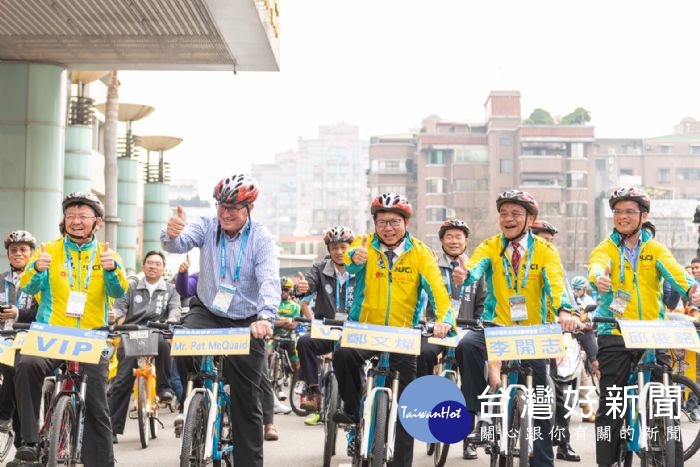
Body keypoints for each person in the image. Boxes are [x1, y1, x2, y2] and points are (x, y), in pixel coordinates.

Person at [161, 174, 278, 467]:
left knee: (246, 399)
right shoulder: (206, 225)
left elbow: (268, 281)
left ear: (248, 209)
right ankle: (195, 396)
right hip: (209, 311)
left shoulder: (261, 238)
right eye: (221, 206)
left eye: (233, 208)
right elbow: (178, 244)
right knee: (182, 342)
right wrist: (172, 234)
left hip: (247, 319)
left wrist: (265, 317)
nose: (225, 213)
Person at [457, 190, 578, 467]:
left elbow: (556, 282)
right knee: (467, 345)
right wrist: (466, 275)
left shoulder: (546, 251)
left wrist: (563, 310)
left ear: (530, 219)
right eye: (503, 214)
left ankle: (543, 462)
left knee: (541, 404)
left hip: (533, 333)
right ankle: (476, 409)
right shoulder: (490, 246)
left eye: (516, 214)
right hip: (497, 327)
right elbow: (475, 268)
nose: (508, 219)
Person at [334, 192, 454, 467]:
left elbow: (438, 291)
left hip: (404, 335)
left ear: (405, 223)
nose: (388, 228)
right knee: (342, 355)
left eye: (395, 222)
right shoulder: (364, 245)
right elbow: (349, 264)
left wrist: (444, 319)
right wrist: (355, 257)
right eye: (382, 222)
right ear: (375, 223)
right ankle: (352, 410)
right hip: (365, 330)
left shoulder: (420, 253)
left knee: (407, 406)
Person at [11, 192, 128, 467]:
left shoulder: (107, 254)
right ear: (64, 220)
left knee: (97, 403)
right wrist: (37, 269)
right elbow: (27, 285)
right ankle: (28, 441)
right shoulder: (48, 250)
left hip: (91, 336)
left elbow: (118, 290)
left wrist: (111, 271)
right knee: (26, 364)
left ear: (96, 222)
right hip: (51, 333)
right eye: (71, 216)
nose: (76, 221)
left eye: (83, 217)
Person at [589, 186, 700, 467]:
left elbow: (677, 274)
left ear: (643, 216)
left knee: (664, 400)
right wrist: (598, 277)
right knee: (611, 404)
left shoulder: (656, 250)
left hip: (652, 333)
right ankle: (609, 461)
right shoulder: (606, 249)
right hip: (614, 331)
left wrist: (692, 291)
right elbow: (597, 265)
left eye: (629, 212)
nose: (623, 217)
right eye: (618, 212)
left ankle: (670, 459)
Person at [416, 218, 486, 460]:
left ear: (466, 241)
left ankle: (469, 437)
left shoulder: (476, 268)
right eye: (449, 237)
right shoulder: (431, 267)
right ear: (442, 241)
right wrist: (428, 322)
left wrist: (479, 324)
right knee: (423, 353)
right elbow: (422, 299)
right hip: (436, 330)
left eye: (459, 237)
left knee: (475, 374)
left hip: (468, 331)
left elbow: (483, 303)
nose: (454, 241)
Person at [108, 250, 181, 443]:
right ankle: (111, 429)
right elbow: (119, 307)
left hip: (156, 331)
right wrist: (114, 315)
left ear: (163, 268)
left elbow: (175, 308)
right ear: (144, 265)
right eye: (149, 262)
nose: (153, 266)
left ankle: (163, 388)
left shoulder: (170, 290)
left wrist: (173, 318)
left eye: (157, 263)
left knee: (164, 346)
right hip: (131, 333)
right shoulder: (131, 287)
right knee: (122, 380)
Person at [295, 225, 356, 426]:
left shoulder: (362, 269)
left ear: (351, 247)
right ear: (329, 250)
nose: (339, 252)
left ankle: (357, 406)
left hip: (354, 332)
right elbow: (309, 284)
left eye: (343, 247)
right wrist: (302, 288)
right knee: (304, 342)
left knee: (353, 365)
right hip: (326, 329)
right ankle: (313, 391)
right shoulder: (319, 269)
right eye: (334, 248)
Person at [0, 231, 38, 447]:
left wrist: (17, 313)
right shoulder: (0, 279)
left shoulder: (39, 279)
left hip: (27, 337)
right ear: (8, 255)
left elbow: (44, 312)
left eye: (23, 250)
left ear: (31, 253)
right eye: (13, 250)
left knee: (13, 367)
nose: (18, 254)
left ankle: (4, 414)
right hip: (1, 336)